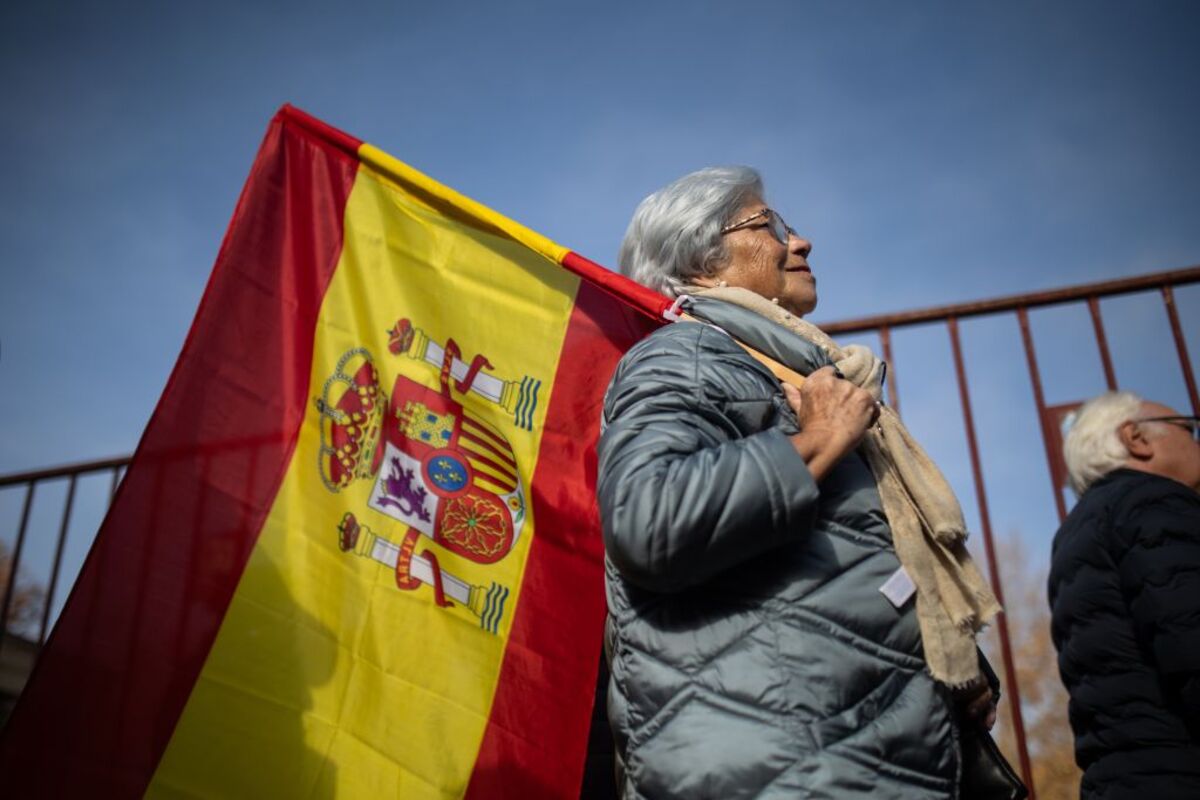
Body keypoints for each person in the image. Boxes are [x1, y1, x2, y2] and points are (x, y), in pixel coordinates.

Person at [596, 167, 1002, 799]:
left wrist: (953, 664)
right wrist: (813, 441)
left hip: (850, 750)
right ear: (702, 263)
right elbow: (649, 519)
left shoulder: (790, 369)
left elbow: (860, 554)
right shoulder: (686, 356)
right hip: (780, 762)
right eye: (768, 226)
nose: (801, 241)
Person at [1048, 391, 1200, 799]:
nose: (1195, 442)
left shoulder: (1074, 532)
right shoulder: (1153, 502)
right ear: (1136, 439)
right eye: (1190, 429)